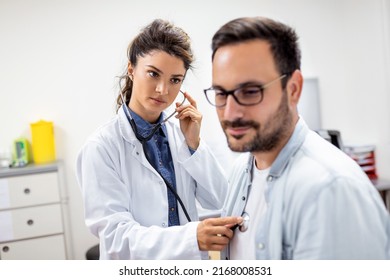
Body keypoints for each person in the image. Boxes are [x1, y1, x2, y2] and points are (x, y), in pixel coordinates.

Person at [204, 16, 390, 259]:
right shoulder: (242, 171)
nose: (230, 112)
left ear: (293, 89)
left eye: (250, 92)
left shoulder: (330, 191)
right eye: (221, 93)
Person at [76, 19, 241, 260]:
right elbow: (115, 237)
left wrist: (194, 146)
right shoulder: (101, 147)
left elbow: (222, 200)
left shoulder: (182, 135)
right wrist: (191, 238)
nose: (163, 90)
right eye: (153, 74)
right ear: (131, 69)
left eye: (175, 80)